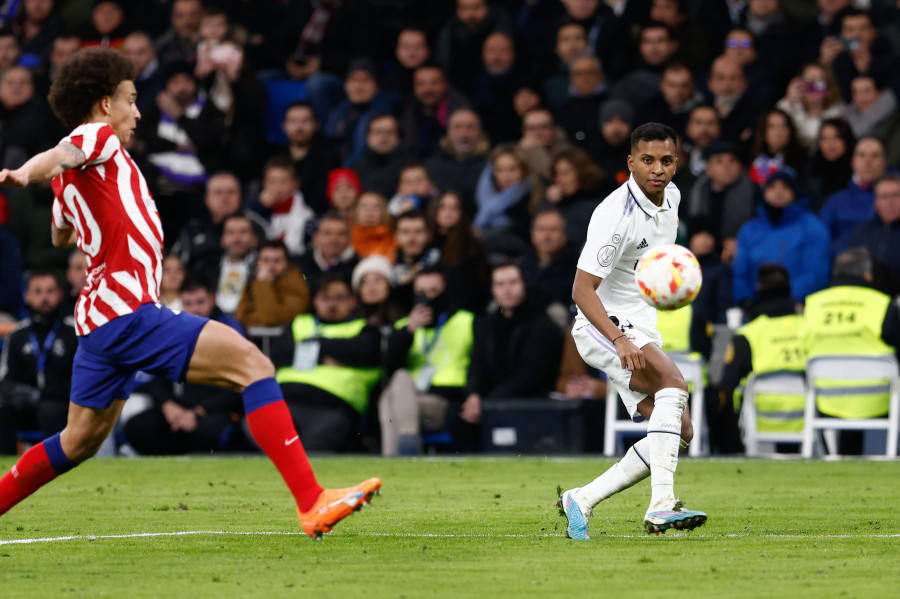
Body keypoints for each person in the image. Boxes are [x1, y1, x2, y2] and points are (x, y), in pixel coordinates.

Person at [0, 47, 380, 538]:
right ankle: (312, 501)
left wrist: (77, 200)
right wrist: (25, 173)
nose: (137, 112)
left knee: (79, 441)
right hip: (128, 311)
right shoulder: (96, 139)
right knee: (255, 365)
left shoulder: (77, 182)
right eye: (130, 100)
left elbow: (60, 234)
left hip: (96, 321)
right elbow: (61, 155)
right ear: (102, 104)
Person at [558, 122, 707, 540]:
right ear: (631, 163)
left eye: (665, 160)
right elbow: (581, 290)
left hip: (639, 322)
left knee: (680, 431)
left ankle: (581, 499)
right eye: (647, 160)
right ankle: (661, 506)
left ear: (676, 164)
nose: (656, 169)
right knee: (674, 386)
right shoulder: (614, 216)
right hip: (602, 323)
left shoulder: (673, 197)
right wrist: (620, 339)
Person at [122, 276, 250, 455]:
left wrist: (199, 413)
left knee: (213, 432)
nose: (195, 309)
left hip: (217, 410)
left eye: (200, 302)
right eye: (188, 303)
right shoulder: (174, 331)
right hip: (181, 408)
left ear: (212, 299)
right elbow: (157, 377)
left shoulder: (230, 331)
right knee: (137, 427)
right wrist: (168, 405)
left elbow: (238, 385)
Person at [269, 273, 382, 452]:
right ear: (315, 301)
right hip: (283, 402)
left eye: (339, 298)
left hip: (331, 408)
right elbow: (280, 353)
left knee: (314, 448)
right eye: (325, 297)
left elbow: (364, 351)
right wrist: (326, 358)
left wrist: (310, 345)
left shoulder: (363, 329)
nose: (332, 304)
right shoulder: (300, 322)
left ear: (352, 301)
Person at [800, 246, 897, 454]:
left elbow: (803, 349)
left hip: (827, 398)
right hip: (878, 399)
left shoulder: (812, 305)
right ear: (867, 274)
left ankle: (839, 455)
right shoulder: (882, 304)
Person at [379, 266, 476, 455]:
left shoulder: (465, 321)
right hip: (410, 399)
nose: (428, 297)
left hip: (443, 402)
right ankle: (408, 442)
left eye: (434, 291)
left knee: (387, 402)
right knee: (399, 378)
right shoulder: (404, 327)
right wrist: (408, 332)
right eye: (422, 292)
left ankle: (393, 460)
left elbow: (479, 365)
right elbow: (389, 367)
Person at [463, 262, 565, 427]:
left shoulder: (541, 323)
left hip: (533, 402)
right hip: (492, 399)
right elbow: (477, 364)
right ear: (493, 290)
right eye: (500, 284)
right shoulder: (487, 324)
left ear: (524, 284)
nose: (507, 289)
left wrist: (488, 402)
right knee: (457, 414)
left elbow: (532, 374)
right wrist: (473, 395)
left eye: (513, 282)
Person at [717, 264, 802, 454]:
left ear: (759, 289)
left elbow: (727, 384)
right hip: (806, 414)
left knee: (720, 394)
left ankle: (734, 453)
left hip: (762, 413)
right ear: (789, 289)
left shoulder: (749, 334)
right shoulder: (807, 327)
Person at [0, 272, 77, 455]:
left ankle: (56, 465)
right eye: (38, 291)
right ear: (26, 296)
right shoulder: (17, 335)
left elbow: (81, 379)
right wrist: (21, 392)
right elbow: (6, 379)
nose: (44, 297)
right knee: (4, 413)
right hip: (28, 405)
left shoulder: (73, 333)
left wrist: (45, 394)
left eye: (50, 291)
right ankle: (7, 471)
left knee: (49, 410)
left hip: (62, 407)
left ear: (59, 294)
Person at [732, 168, 830, 306]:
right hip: (756, 308)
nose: (778, 192)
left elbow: (816, 273)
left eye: (785, 187)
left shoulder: (812, 226)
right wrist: (746, 300)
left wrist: (782, 298)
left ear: (795, 192)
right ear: (764, 192)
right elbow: (740, 273)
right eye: (772, 187)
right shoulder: (749, 229)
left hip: (798, 307)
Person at [234, 240, 310, 328]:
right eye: (265, 260)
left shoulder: (297, 285)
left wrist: (263, 283)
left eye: (277, 261)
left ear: (287, 263)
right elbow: (240, 317)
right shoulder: (255, 282)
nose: (270, 266)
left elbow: (271, 319)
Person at [846, 173, 900, 296]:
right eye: (884, 196)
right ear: (875, 203)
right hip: (863, 297)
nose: (890, 201)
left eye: (896, 195)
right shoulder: (860, 231)